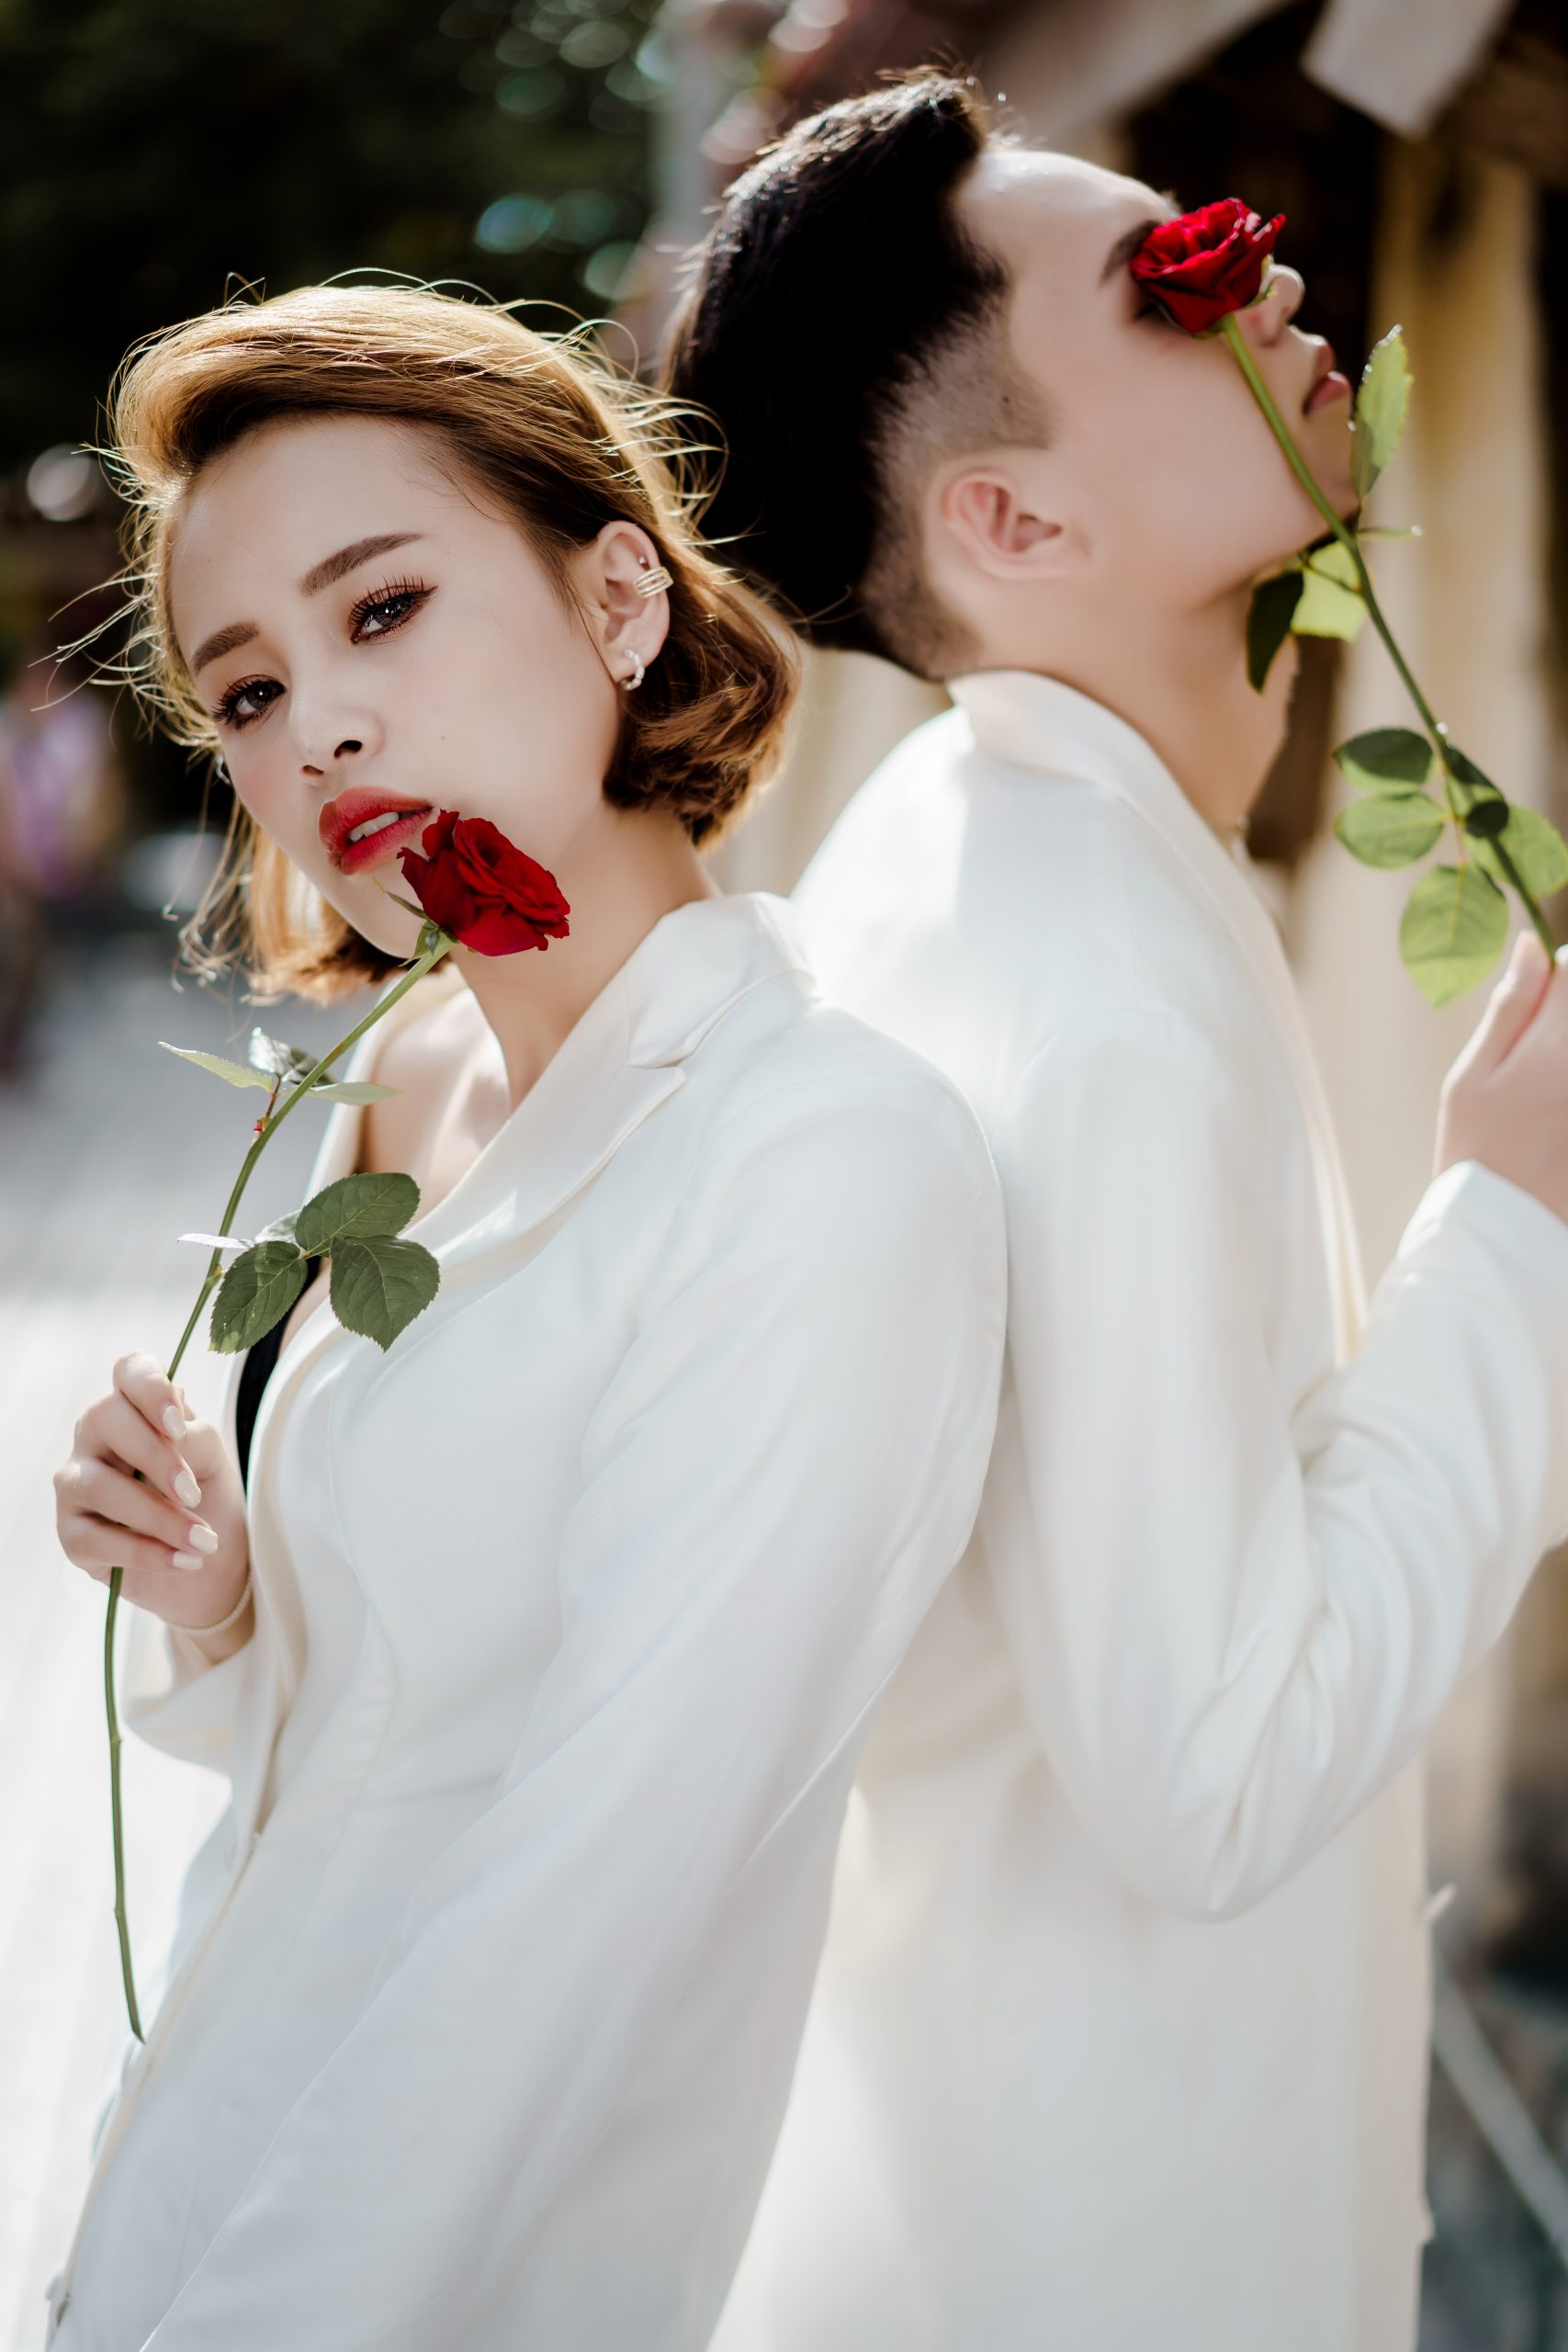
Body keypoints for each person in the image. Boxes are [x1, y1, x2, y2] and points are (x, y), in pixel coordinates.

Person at [663, 74, 1568, 2352]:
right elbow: (1211, 1770)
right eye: (1164, 283)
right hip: (1101, 2245)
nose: (1263, 272)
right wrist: (1511, 1231)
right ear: (1010, 519)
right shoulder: (1096, 1001)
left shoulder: (956, 840)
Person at [43, 281, 1006, 2352]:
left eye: (382, 609)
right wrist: (227, 1600)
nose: (317, 730)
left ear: (620, 598)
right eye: (246, 689)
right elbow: (371, 1748)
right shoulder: (399, 1092)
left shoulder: (822, 1158)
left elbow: (578, 1917)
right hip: (179, 2182)